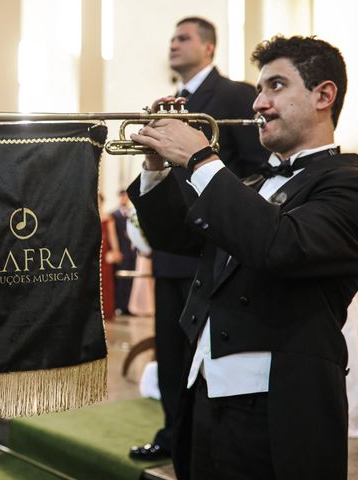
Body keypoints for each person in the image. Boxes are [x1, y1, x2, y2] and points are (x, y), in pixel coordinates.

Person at [127, 35, 355, 480]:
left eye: (275, 86)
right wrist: (155, 166)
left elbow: (280, 245)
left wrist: (199, 158)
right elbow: (176, 235)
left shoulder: (348, 182)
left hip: (278, 405)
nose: (258, 104)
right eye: (258, 89)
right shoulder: (251, 183)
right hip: (204, 393)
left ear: (323, 95)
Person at [130, 16, 268, 462]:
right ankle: (173, 433)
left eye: (183, 37)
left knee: (201, 356)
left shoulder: (235, 95)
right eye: (171, 37)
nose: (173, 44)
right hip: (174, 244)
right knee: (170, 352)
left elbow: (257, 169)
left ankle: (201, 440)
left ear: (208, 48)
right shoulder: (169, 101)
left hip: (218, 248)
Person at [111, 190, 138, 316]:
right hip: (121, 251)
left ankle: (128, 306)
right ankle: (119, 305)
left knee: (130, 280)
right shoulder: (114, 215)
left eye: (126, 196)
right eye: (122, 196)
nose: (124, 199)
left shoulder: (132, 214)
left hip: (131, 252)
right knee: (120, 281)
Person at [99, 193, 123, 321]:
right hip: (94, 252)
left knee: (106, 282)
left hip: (105, 253)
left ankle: (106, 310)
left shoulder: (108, 218)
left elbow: (113, 236)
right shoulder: (89, 216)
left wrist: (115, 251)